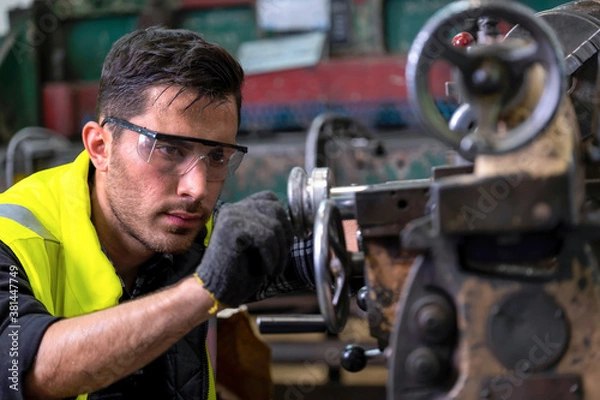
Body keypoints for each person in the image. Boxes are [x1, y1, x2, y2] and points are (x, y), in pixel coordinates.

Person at [0, 28, 316, 400]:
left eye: (216, 157)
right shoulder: (14, 238)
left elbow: (327, 246)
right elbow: (25, 371)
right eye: (168, 150)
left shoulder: (196, 232)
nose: (197, 189)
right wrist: (202, 292)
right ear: (100, 147)